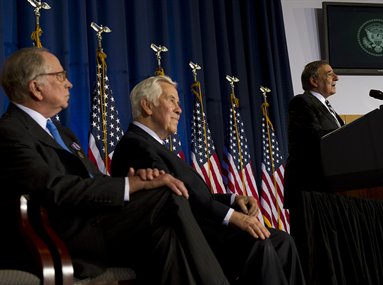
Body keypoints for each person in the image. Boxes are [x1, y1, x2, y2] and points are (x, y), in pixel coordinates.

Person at [0, 47, 231, 285]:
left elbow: (94, 178)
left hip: (95, 224)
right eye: (60, 76)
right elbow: (53, 188)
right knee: (167, 197)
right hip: (64, 235)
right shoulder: (10, 131)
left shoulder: (63, 133)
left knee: (166, 232)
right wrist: (127, 186)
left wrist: (141, 182)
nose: (69, 83)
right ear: (36, 88)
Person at [110, 75, 306, 285]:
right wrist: (233, 216)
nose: (179, 109)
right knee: (259, 242)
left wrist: (232, 199)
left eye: (178, 102)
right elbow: (174, 197)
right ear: (147, 106)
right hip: (184, 238)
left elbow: (195, 195)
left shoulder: (152, 144)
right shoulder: (135, 145)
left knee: (283, 241)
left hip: (202, 228)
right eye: (171, 101)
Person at [283, 60, 344, 203]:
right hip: (309, 188)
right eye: (330, 74)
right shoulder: (301, 102)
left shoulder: (329, 109)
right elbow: (314, 138)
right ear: (314, 80)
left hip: (328, 186)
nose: (336, 78)